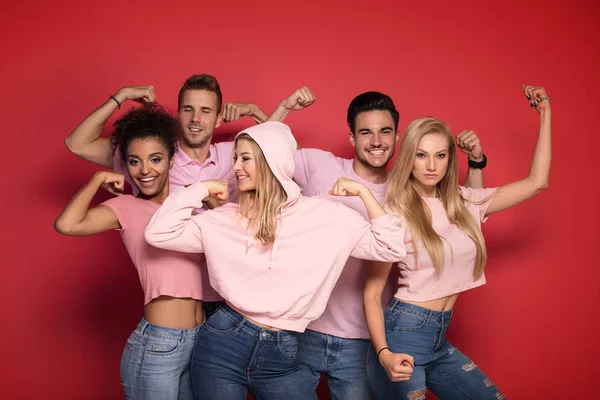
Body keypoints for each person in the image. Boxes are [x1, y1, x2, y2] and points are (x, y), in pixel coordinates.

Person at [143, 121, 407, 400]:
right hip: (222, 344)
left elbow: (390, 248)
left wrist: (364, 194)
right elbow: (158, 233)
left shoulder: (326, 216)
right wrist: (201, 188)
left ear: (273, 163)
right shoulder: (223, 218)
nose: (235, 167)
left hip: (283, 353)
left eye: (245, 158)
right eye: (235, 158)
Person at [64, 74, 315, 317]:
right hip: (180, 300)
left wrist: (259, 111)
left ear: (218, 120)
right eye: (188, 109)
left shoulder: (233, 155)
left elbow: (286, 156)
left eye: (205, 111)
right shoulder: (154, 158)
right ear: (178, 114)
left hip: (233, 297)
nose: (196, 119)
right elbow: (78, 144)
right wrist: (122, 96)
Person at [293, 91, 485, 399]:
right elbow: (264, 158)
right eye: (365, 132)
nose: (376, 141)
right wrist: (279, 109)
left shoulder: (409, 192)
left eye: (385, 131)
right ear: (352, 137)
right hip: (303, 327)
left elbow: (465, 215)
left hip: (362, 338)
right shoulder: (319, 166)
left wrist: (476, 163)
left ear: (398, 138)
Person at [364, 84, 551, 399]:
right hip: (402, 336)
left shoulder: (465, 202)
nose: (432, 166)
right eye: (421, 155)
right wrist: (383, 353)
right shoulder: (394, 213)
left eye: (440, 155)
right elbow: (371, 293)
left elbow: (537, 182)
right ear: (408, 157)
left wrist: (545, 113)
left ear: (450, 159)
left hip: (438, 338)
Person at [54, 106, 204, 399]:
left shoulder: (188, 206)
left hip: (198, 339)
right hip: (158, 343)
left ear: (172, 161)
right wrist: (97, 179)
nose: (145, 170)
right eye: (135, 161)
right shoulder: (126, 207)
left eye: (155, 159)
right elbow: (66, 224)